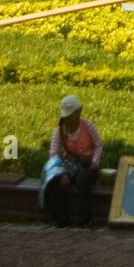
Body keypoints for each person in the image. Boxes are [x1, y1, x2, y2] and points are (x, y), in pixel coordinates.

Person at [43, 96, 102, 227]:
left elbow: (98, 145)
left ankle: (83, 219)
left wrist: (95, 162)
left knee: (83, 179)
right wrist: (62, 173)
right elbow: (53, 154)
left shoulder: (88, 125)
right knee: (54, 183)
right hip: (68, 166)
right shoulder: (59, 131)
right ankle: (61, 219)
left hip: (87, 165)